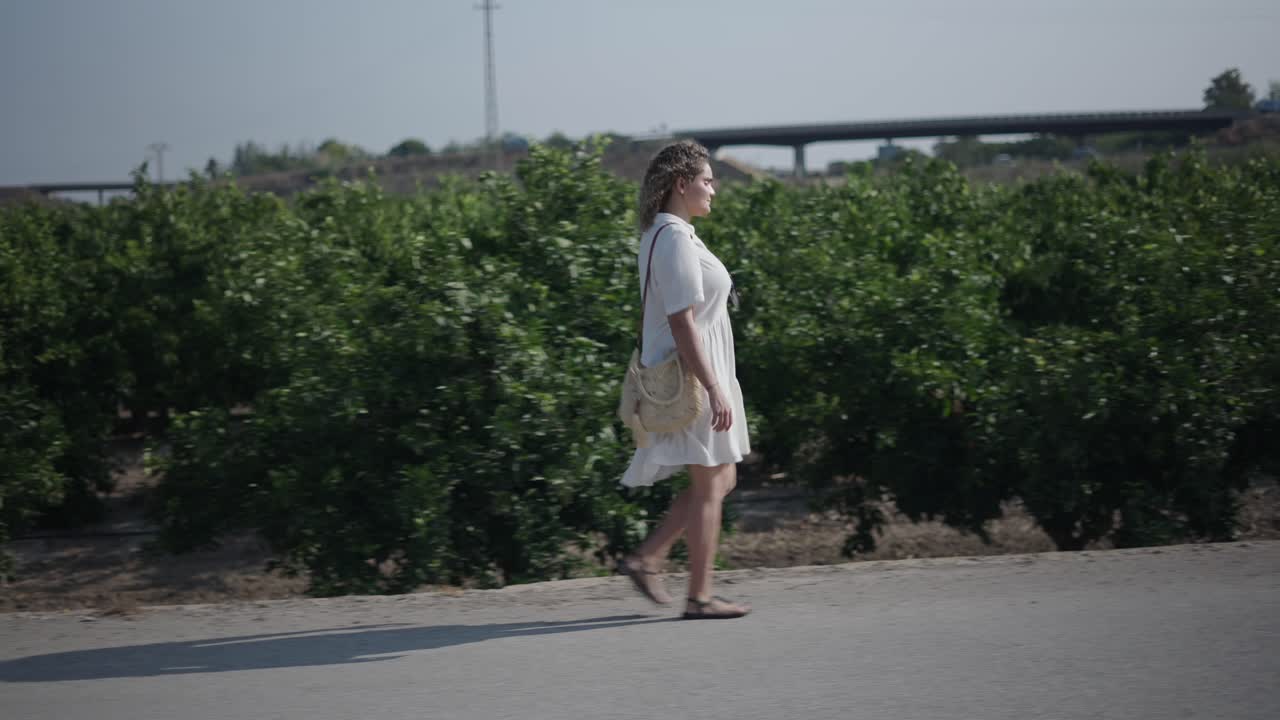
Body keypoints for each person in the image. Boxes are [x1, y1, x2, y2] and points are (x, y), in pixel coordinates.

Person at [617, 140, 752, 620]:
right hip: (692, 376)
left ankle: (648, 556)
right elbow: (681, 322)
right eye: (707, 180)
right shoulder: (672, 237)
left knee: (721, 477)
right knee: (712, 482)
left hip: (701, 367)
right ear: (681, 184)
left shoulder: (675, 233)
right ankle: (699, 595)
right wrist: (714, 387)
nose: (713, 189)